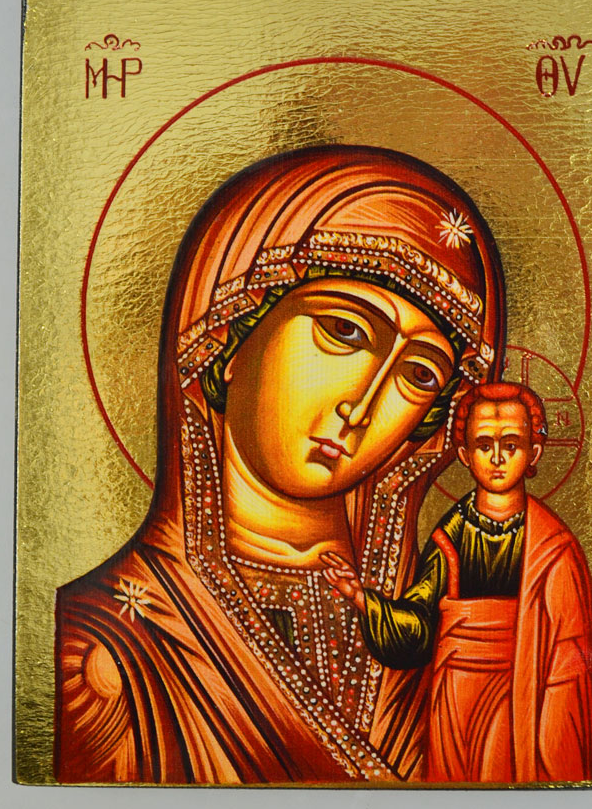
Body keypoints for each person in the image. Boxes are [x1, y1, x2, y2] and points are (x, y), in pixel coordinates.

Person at [54, 145, 506, 784]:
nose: (362, 406)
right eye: (344, 332)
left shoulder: (449, 639)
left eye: (419, 374)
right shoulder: (102, 654)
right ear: (230, 336)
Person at [322, 382, 592, 783]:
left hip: (526, 696)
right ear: (466, 455)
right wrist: (363, 599)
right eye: (484, 445)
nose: (497, 458)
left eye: (511, 444)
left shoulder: (555, 548)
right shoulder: (448, 538)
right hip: (455, 701)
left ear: (534, 453)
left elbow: (571, 660)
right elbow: (420, 623)